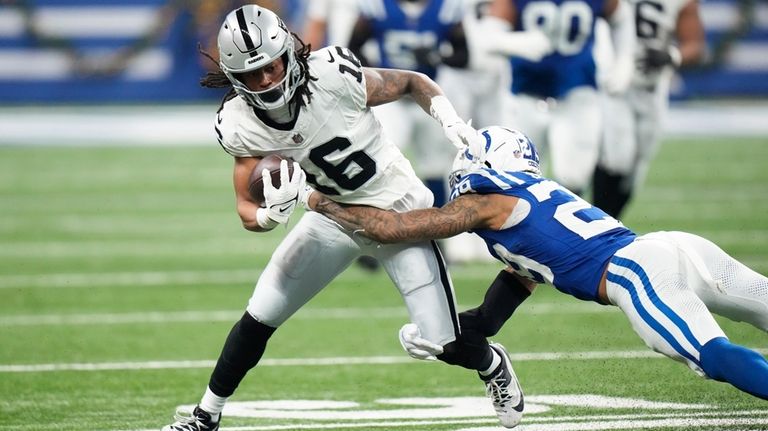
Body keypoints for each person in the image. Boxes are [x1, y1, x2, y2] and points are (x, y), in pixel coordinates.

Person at [161, 5, 521, 431]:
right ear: (236, 79)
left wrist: (449, 120)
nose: (267, 81)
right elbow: (244, 208)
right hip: (333, 217)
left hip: (401, 215)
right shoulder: (239, 122)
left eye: (272, 66)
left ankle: (491, 363)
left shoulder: (332, 74)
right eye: (253, 75)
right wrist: (268, 216)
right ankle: (206, 415)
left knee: (443, 343)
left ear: (288, 53)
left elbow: (411, 81)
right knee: (260, 315)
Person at [305, 125, 768, 401]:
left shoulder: (490, 201)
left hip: (637, 271)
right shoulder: (527, 213)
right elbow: (493, 313)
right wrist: (443, 335)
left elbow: (395, 228)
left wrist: (320, 202)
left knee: (711, 356)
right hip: (676, 247)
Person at [484, 0, 635, 196]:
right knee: (515, 178)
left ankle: (565, 224)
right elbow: (485, 37)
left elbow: (621, 17)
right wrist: (513, 42)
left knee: (573, 177)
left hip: (577, 93)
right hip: (524, 96)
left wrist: (625, 59)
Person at [347, 0, 469, 208]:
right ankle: (380, 220)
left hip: (427, 99)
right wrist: (378, 76)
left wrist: (437, 57)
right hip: (390, 102)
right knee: (381, 161)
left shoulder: (447, 8)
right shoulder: (376, 7)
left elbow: (463, 56)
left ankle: (437, 227)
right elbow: (352, 50)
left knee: (435, 166)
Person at [592, 0, 706, 218]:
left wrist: (672, 55)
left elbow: (695, 45)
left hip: (652, 88)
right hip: (612, 80)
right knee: (617, 158)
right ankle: (597, 227)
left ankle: (609, 225)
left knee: (635, 169)